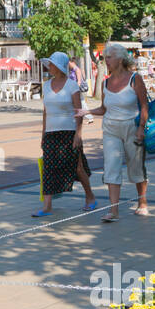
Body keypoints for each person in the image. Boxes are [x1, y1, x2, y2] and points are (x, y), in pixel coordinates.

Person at [85, 42, 149, 222]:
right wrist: (87, 111)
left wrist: (141, 128)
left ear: (120, 59)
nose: (106, 61)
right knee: (111, 167)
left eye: (109, 58)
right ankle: (114, 211)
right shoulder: (105, 82)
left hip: (132, 126)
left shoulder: (134, 79)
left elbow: (144, 105)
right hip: (110, 128)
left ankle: (142, 202)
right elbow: (104, 109)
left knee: (136, 167)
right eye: (105, 58)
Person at [32, 51, 96, 217]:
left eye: (52, 64)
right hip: (51, 133)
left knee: (77, 167)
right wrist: (43, 134)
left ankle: (90, 197)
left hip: (69, 132)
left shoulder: (72, 86)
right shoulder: (46, 85)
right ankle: (47, 206)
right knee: (48, 168)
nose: (49, 67)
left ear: (60, 67)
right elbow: (45, 112)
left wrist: (78, 134)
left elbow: (78, 111)